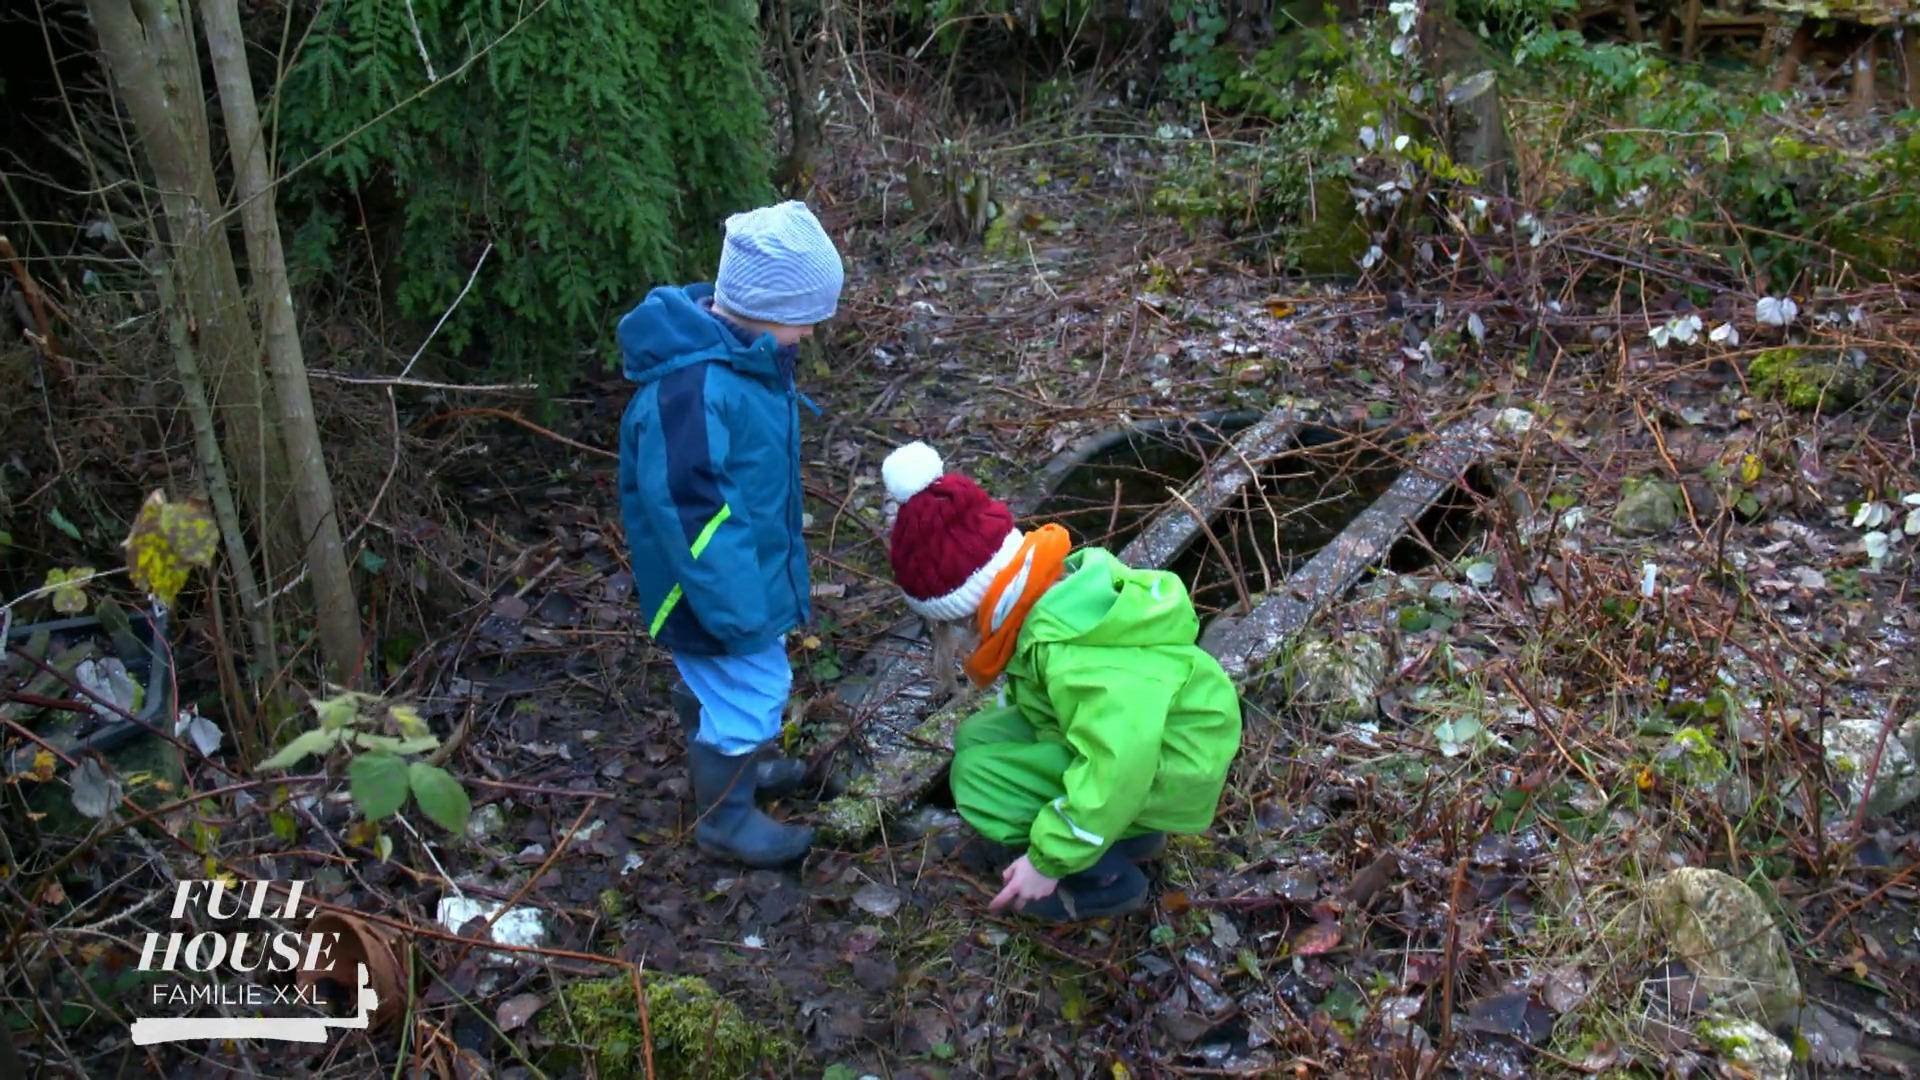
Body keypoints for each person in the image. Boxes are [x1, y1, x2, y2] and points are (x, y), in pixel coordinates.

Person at [879, 440, 1243, 921]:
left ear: (973, 606)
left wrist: (1046, 860)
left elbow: (1121, 762)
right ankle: (1132, 835)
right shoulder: (1059, 592)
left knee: (978, 779)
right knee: (978, 737)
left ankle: (1103, 877)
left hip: (1164, 768)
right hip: (1165, 743)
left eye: (956, 626)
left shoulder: (1066, 657)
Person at [616, 200, 843, 869]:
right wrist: (740, 608)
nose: (808, 332)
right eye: (805, 319)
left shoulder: (744, 362)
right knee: (752, 688)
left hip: (744, 576)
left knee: (734, 685)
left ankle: (744, 764)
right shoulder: (695, 390)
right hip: (709, 591)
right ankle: (727, 820)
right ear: (768, 307)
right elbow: (696, 518)